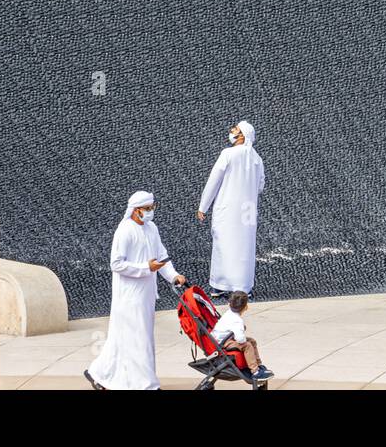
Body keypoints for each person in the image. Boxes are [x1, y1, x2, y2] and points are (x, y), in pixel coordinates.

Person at [85, 191, 186, 390]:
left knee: (126, 339)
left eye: (152, 208)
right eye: (147, 209)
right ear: (135, 210)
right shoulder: (124, 231)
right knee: (139, 339)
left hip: (146, 295)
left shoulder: (152, 228)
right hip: (129, 297)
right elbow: (116, 264)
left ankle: (99, 373)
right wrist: (145, 268)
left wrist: (173, 275)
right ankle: (147, 385)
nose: (150, 212)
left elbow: (162, 256)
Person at [197, 120, 265, 298]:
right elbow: (260, 185)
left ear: (241, 134)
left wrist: (203, 206)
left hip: (228, 209)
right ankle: (243, 287)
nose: (231, 131)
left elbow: (214, 180)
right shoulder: (257, 159)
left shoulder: (228, 154)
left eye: (235, 129)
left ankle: (220, 285)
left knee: (224, 244)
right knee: (244, 247)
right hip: (248, 211)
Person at [211, 290, 272, 380]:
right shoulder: (237, 320)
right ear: (246, 307)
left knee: (252, 341)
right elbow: (240, 340)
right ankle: (255, 371)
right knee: (247, 345)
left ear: (229, 304)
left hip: (223, 338)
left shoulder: (229, 313)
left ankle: (259, 365)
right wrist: (242, 331)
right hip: (223, 342)